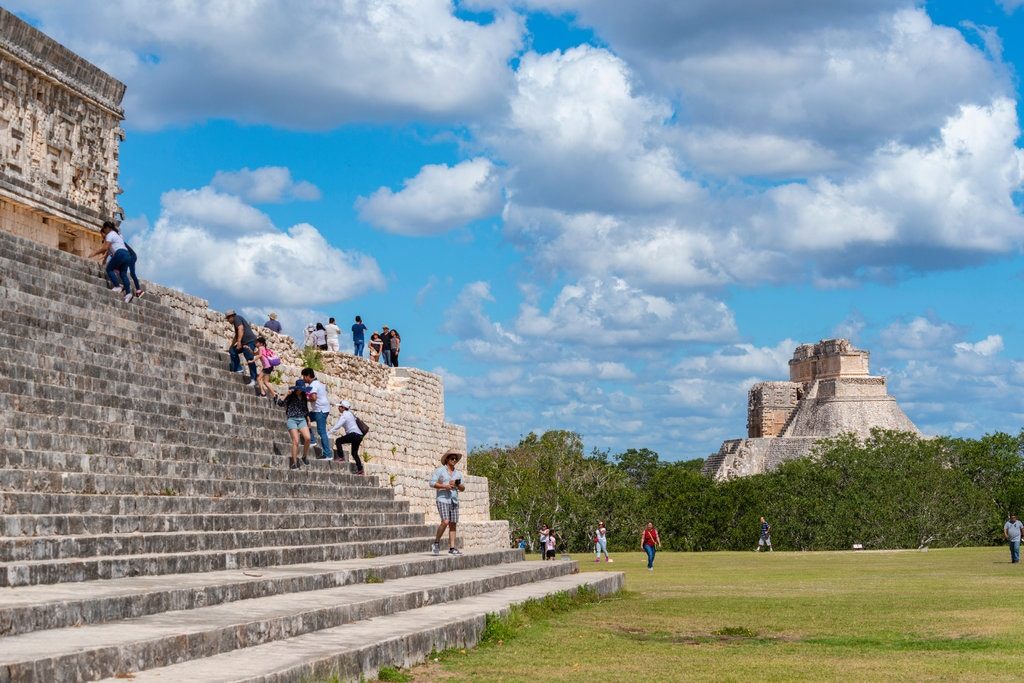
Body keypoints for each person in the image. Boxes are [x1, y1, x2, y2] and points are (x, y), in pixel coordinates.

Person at [89, 220, 135, 303]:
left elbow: (105, 248)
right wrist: (104, 259)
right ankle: (128, 293)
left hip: (120, 253)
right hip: (127, 255)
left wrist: (94, 253)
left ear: (107, 228)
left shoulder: (109, 234)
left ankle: (117, 286)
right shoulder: (116, 235)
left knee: (109, 269)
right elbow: (109, 250)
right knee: (123, 274)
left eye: (104, 229)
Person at [430, 451, 465, 556]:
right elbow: (431, 483)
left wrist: (457, 485)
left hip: (454, 500)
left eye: (455, 459)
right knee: (445, 521)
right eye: (452, 458)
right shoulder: (440, 471)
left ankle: (452, 548)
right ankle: (436, 542)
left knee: (453, 524)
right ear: (447, 459)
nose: (454, 460)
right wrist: (445, 486)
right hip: (442, 499)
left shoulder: (458, 474)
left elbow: (463, 488)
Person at [276, 380, 311, 469]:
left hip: (302, 419)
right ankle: (294, 462)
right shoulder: (290, 396)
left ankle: (304, 456)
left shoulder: (303, 396)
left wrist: (308, 419)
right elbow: (280, 404)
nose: (302, 390)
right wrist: (286, 395)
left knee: (308, 438)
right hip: (292, 419)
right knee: (296, 441)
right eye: (301, 389)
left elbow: (305, 409)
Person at [300, 368, 332, 460]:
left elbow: (313, 398)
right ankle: (312, 440)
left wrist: (305, 399)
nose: (303, 378)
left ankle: (328, 454)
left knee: (322, 432)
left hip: (320, 410)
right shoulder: (318, 383)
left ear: (308, 376)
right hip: (321, 409)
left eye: (304, 376)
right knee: (304, 418)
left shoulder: (313, 384)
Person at [327, 399, 365, 474]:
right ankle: (360, 469)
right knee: (354, 453)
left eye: (340, 407)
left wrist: (328, 433)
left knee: (338, 441)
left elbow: (337, 426)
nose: (338, 408)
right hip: (359, 435)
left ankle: (341, 457)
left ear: (343, 408)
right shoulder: (350, 413)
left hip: (354, 434)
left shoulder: (344, 415)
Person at [225, 310, 259, 388]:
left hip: (249, 342)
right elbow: (236, 336)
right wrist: (231, 346)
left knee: (249, 359)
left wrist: (239, 342)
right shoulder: (236, 322)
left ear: (231, 316)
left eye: (228, 318)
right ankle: (239, 369)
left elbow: (241, 329)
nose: (228, 320)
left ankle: (254, 379)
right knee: (232, 351)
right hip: (244, 343)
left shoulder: (237, 318)